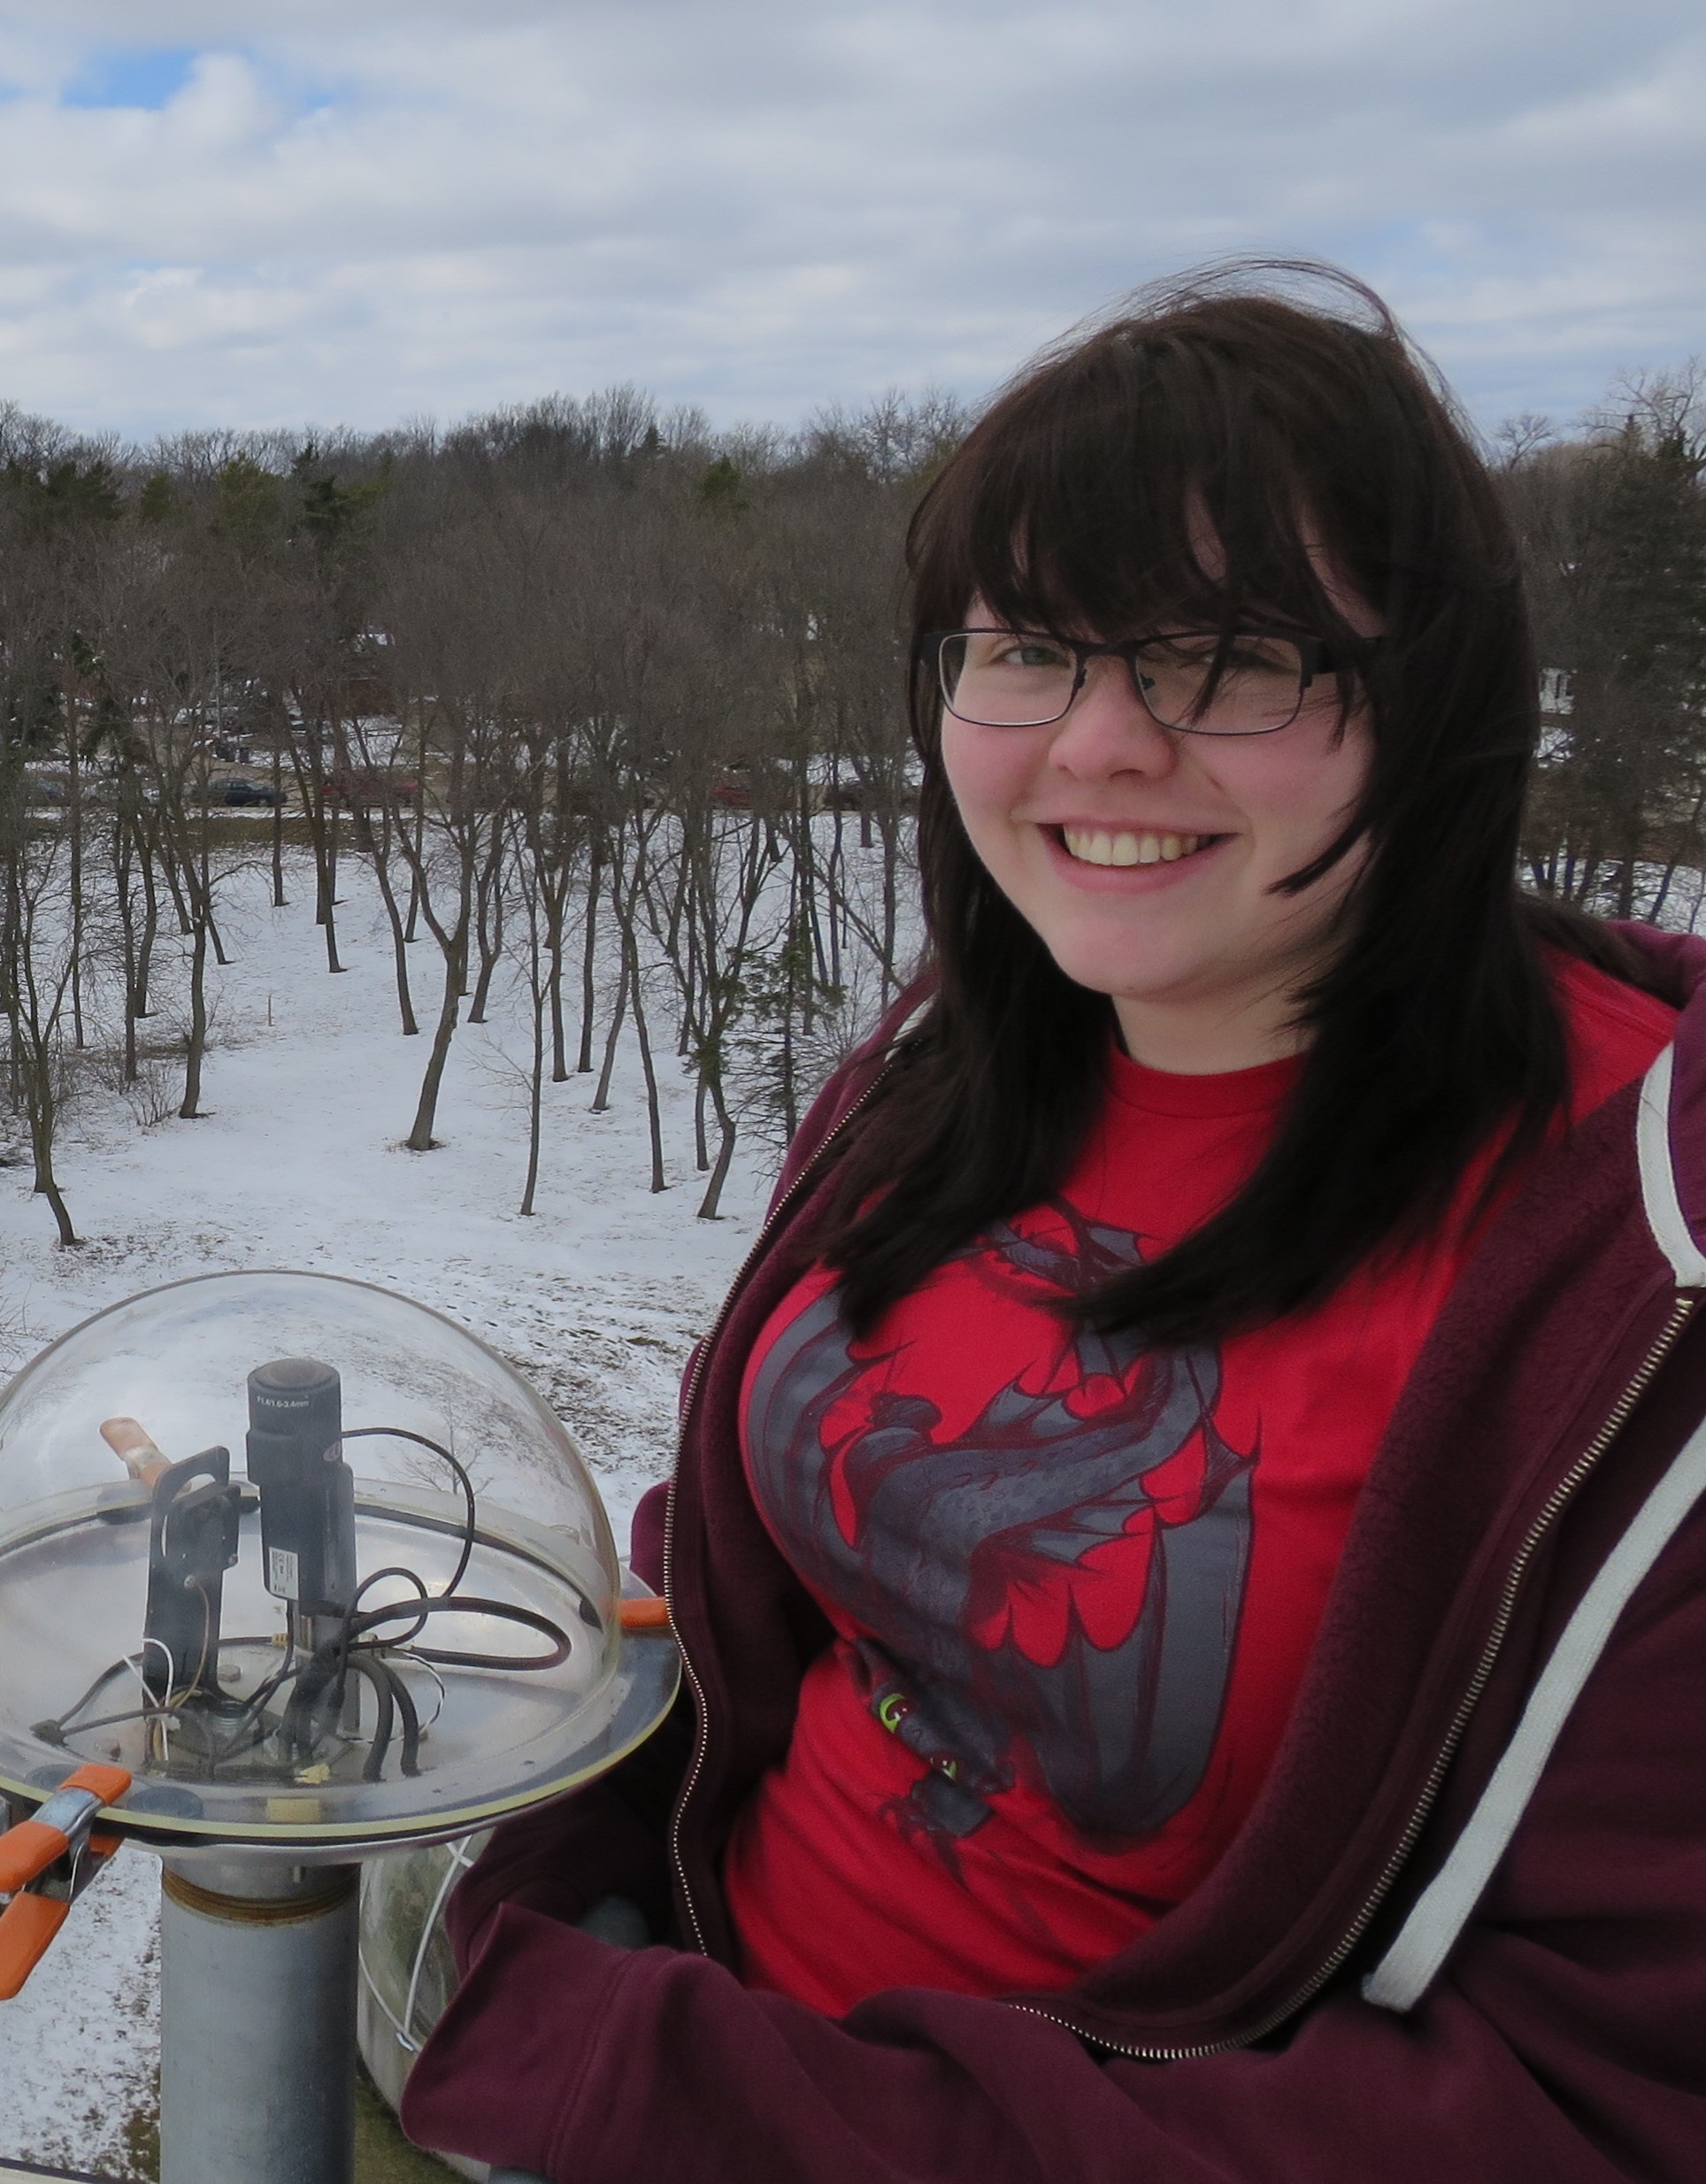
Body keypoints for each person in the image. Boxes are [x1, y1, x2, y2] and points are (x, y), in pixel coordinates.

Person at [396, 265, 1706, 2181]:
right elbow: (746, 1552)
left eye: (1227, 655)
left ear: (1431, 707)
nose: (1092, 744)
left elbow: (1588, 2111)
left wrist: (668, 2095)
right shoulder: (944, 1064)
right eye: (1022, 647)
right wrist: (554, 1840)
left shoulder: (1632, 1306)